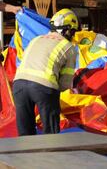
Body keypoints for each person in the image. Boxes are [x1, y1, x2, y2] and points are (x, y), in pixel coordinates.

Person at [12, 8, 78, 136]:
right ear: (68, 30)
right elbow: (64, 85)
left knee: (25, 135)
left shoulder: (36, 39)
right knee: (50, 135)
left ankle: (25, 156)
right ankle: (50, 155)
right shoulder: (68, 47)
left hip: (18, 85)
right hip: (44, 87)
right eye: (73, 32)